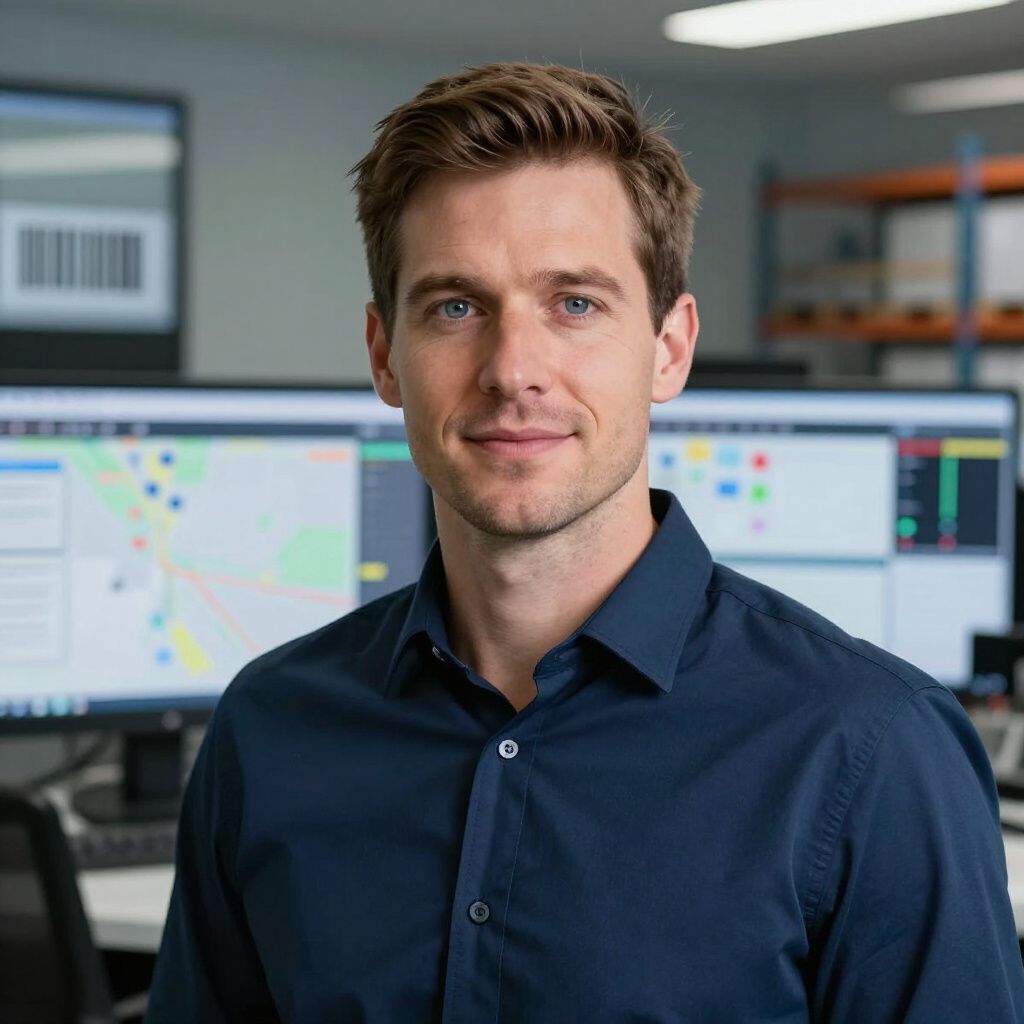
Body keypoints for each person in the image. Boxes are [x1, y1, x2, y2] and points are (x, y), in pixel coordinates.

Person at [145, 62, 1024, 1022]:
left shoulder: (874, 751)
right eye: (456, 307)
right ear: (384, 356)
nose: (513, 370)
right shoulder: (269, 733)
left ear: (670, 347)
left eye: (575, 304)